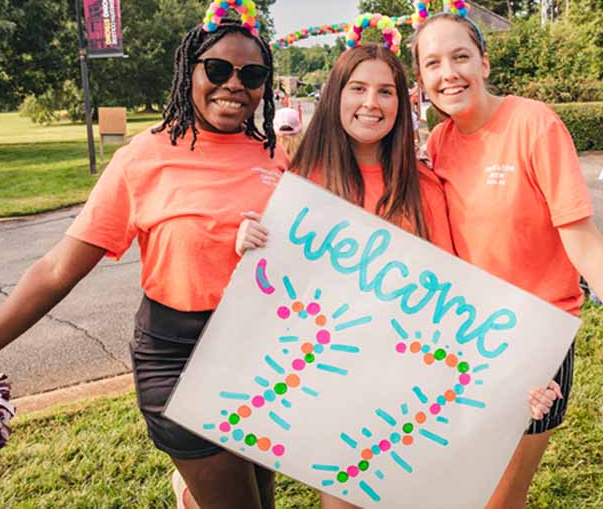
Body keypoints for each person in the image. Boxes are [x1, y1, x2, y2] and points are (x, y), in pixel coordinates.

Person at [0, 7, 289, 509]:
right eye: (217, 69)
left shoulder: (275, 154)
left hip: (264, 353)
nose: (234, 85)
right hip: (179, 359)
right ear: (189, 73)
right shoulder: (143, 157)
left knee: (262, 497)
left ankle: (191, 496)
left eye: (251, 75)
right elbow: (56, 271)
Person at [234, 43, 565, 509]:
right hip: (333, 380)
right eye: (359, 88)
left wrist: (515, 372)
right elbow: (274, 295)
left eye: (386, 91)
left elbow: (458, 301)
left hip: (415, 384)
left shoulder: (424, 186)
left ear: (402, 102)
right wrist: (250, 240)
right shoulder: (299, 183)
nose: (372, 103)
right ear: (336, 95)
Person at [413, 12, 603, 509]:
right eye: (432, 63)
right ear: (422, 80)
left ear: (485, 63)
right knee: (462, 484)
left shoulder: (534, 123)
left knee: (499, 497)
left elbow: (581, 239)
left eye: (460, 57)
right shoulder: (439, 142)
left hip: (536, 339)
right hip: (468, 337)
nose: (448, 72)